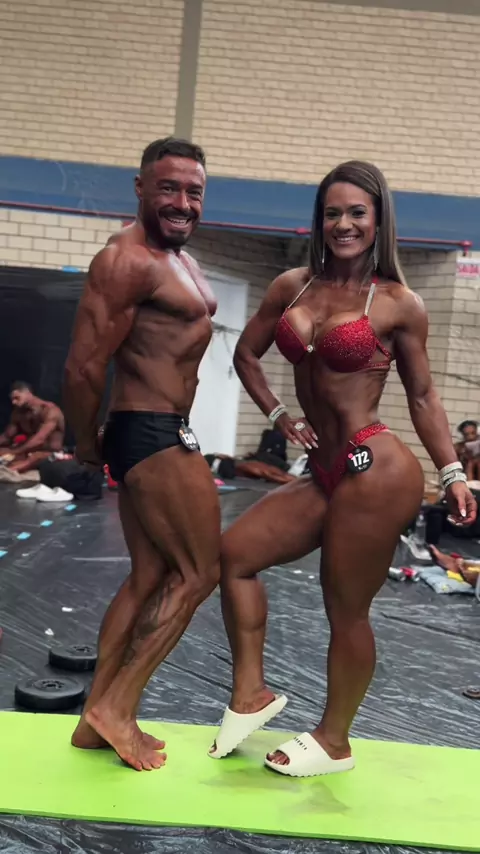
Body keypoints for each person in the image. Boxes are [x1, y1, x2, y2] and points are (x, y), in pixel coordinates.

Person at [209, 160, 477, 778]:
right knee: (235, 554)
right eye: (333, 213)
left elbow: (423, 396)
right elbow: (246, 354)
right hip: (324, 470)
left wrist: (453, 472)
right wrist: (279, 414)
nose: (344, 224)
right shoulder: (292, 286)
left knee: (345, 608)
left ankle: (335, 740)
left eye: (357, 212)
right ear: (319, 220)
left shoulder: (399, 303)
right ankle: (250, 693)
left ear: (379, 220)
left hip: (376, 468)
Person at [63, 137, 220, 771]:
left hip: (158, 428)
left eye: (194, 192)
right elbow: (83, 366)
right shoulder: (124, 259)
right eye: (169, 188)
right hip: (150, 430)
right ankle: (117, 707)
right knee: (200, 573)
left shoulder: (180, 260)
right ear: (140, 188)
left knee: (151, 576)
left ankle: (92, 719)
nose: (182, 202)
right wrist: (84, 442)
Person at [0, 381, 64, 475]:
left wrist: (15, 452)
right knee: (3, 451)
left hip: (49, 452)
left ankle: (8, 471)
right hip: (26, 451)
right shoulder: (18, 413)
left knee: (35, 458)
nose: (14, 402)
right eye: (12, 399)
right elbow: (7, 436)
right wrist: (10, 451)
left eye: (17, 398)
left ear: (28, 393)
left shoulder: (50, 410)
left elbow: (39, 440)